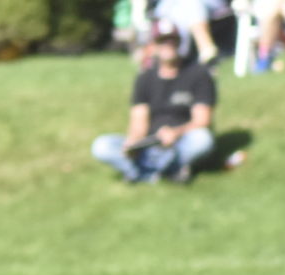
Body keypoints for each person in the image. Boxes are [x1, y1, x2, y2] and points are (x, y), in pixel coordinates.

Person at [92, 22, 217, 183]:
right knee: (101, 146)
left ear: (179, 42)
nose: (168, 45)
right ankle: (168, 172)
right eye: (162, 41)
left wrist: (175, 133)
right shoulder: (145, 78)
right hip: (150, 144)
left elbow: (202, 120)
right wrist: (134, 142)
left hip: (181, 142)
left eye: (172, 40)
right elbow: (138, 121)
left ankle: (144, 172)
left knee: (203, 139)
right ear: (153, 45)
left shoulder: (198, 73)